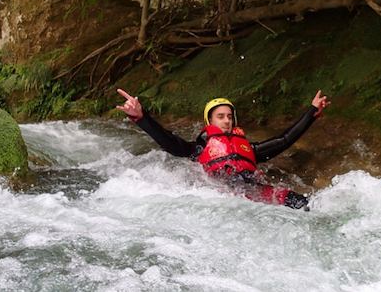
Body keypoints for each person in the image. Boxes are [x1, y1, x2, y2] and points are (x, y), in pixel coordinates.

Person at [116, 88, 330, 210]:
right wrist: (141, 118)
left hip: (256, 194)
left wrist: (311, 113)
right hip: (222, 199)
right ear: (209, 121)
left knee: (303, 204)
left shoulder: (249, 149)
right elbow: (169, 142)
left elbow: (284, 139)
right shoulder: (199, 149)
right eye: (220, 117)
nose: (227, 121)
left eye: (229, 117)